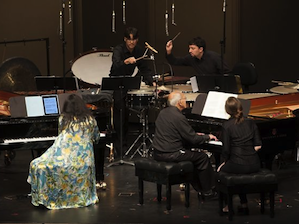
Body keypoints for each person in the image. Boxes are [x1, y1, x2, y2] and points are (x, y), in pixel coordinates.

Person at [27, 94, 100, 209]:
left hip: (65, 157)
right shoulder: (90, 120)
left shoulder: (63, 119)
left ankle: (47, 197)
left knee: (37, 165)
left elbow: (61, 138)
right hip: (85, 164)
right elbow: (96, 138)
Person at [152, 91, 218, 196]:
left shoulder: (163, 112)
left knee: (193, 157)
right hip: (172, 154)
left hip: (158, 152)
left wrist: (195, 134)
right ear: (179, 103)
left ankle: (200, 188)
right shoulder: (178, 117)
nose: (186, 100)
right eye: (184, 98)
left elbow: (178, 132)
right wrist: (207, 136)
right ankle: (208, 190)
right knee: (202, 157)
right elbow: (193, 139)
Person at [109, 27, 155, 159]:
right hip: (117, 81)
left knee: (126, 115)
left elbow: (144, 68)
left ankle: (125, 145)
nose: (131, 42)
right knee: (119, 114)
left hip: (129, 82)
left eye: (134, 39)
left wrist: (152, 82)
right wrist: (126, 61)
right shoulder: (118, 49)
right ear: (125, 39)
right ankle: (119, 149)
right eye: (129, 39)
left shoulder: (139, 50)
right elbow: (116, 64)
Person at [217, 97, 262, 214]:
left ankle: (227, 205)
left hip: (237, 163)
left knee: (220, 173)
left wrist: (223, 163)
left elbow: (226, 150)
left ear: (227, 111)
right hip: (254, 164)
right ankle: (244, 204)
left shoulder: (227, 125)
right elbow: (258, 145)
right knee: (238, 173)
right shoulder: (251, 122)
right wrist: (248, 152)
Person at [165, 36, 231, 75]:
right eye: (190, 48)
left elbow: (227, 73)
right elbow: (175, 61)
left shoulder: (214, 57)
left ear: (200, 49)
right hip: (204, 88)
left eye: (193, 48)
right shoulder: (191, 58)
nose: (190, 51)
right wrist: (169, 51)